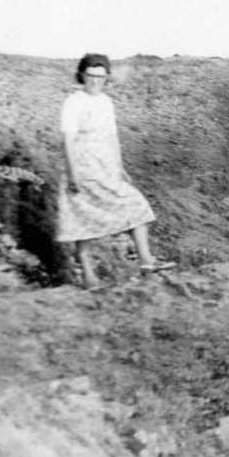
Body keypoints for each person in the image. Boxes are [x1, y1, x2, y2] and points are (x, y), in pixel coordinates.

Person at [56, 53, 175, 290]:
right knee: (83, 220)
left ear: (107, 78)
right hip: (83, 167)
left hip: (106, 168)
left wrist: (120, 167)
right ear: (82, 75)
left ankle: (146, 261)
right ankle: (89, 278)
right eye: (91, 76)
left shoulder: (106, 102)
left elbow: (112, 137)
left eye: (101, 77)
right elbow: (68, 140)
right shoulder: (74, 102)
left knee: (136, 204)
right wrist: (72, 175)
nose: (96, 81)